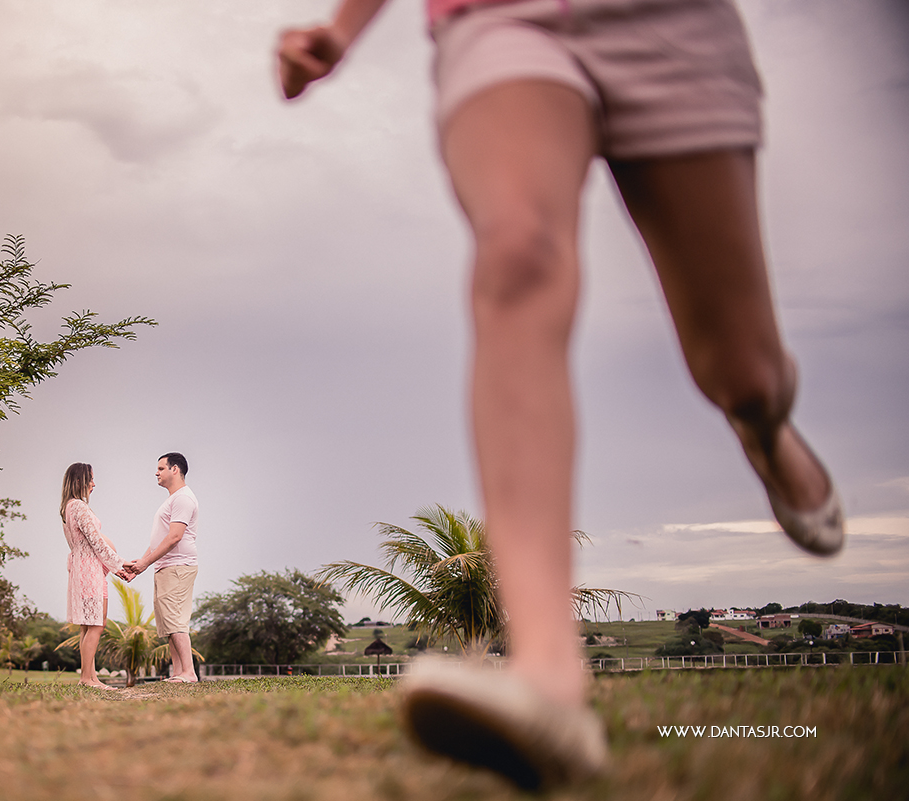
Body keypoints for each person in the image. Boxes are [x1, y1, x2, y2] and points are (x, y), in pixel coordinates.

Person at [276, 0, 844, 789]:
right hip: (499, 22)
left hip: (669, 21)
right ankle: (548, 677)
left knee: (742, 368)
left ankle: (765, 429)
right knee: (516, 253)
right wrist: (341, 30)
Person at [119, 453, 201, 683]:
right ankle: (178, 672)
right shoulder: (172, 499)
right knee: (167, 623)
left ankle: (189, 673)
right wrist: (139, 565)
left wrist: (146, 563)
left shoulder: (183, 498)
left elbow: (175, 537)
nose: (157, 472)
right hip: (166, 567)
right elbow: (159, 540)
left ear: (175, 469)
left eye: (161, 468)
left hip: (177, 566)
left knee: (175, 620)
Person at [61, 462, 125, 690]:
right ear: (79, 481)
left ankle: (91, 676)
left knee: (90, 625)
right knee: (96, 624)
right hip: (89, 572)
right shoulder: (78, 506)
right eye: (90, 479)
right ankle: (87, 678)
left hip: (89, 570)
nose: (94, 484)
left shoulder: (69, 507)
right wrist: (120, 566)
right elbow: (95, 541)